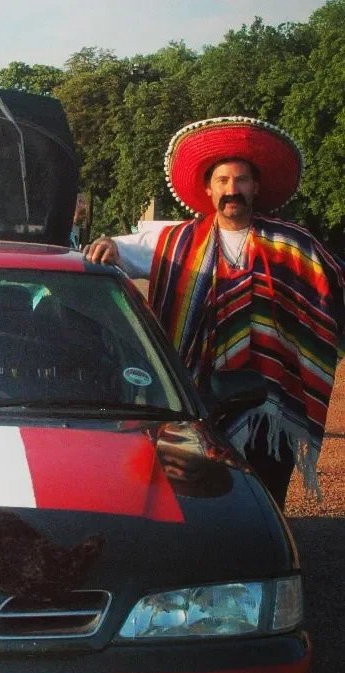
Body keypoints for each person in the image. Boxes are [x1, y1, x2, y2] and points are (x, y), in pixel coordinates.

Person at [85, 116, 344, 509]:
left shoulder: (292, 245)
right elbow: (123, 249)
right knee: (197, 500)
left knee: (264, 500)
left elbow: (333, 283)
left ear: (255, 187)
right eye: (222, 181)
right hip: (198, 400)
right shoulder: (177, 242)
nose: (232, 190)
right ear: (208, 189)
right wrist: (108, 244)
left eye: (241, 180)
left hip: (269, 404)